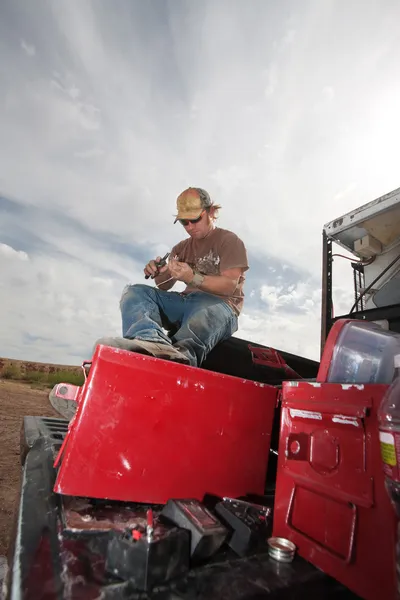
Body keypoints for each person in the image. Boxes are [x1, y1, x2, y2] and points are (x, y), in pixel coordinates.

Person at [94, 187, 249, 367]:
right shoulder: (180, 248)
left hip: (220, 306)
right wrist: (160, 273)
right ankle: (150, 342)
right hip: (185, 302)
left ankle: (182, 356)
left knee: (204, 314)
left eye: (194, 219)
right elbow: (164, 287)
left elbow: (229, 286)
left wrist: (192, 277)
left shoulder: (229, 241)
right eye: (184, 222)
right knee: (134, 292)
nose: (190, 227)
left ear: (210, 212)